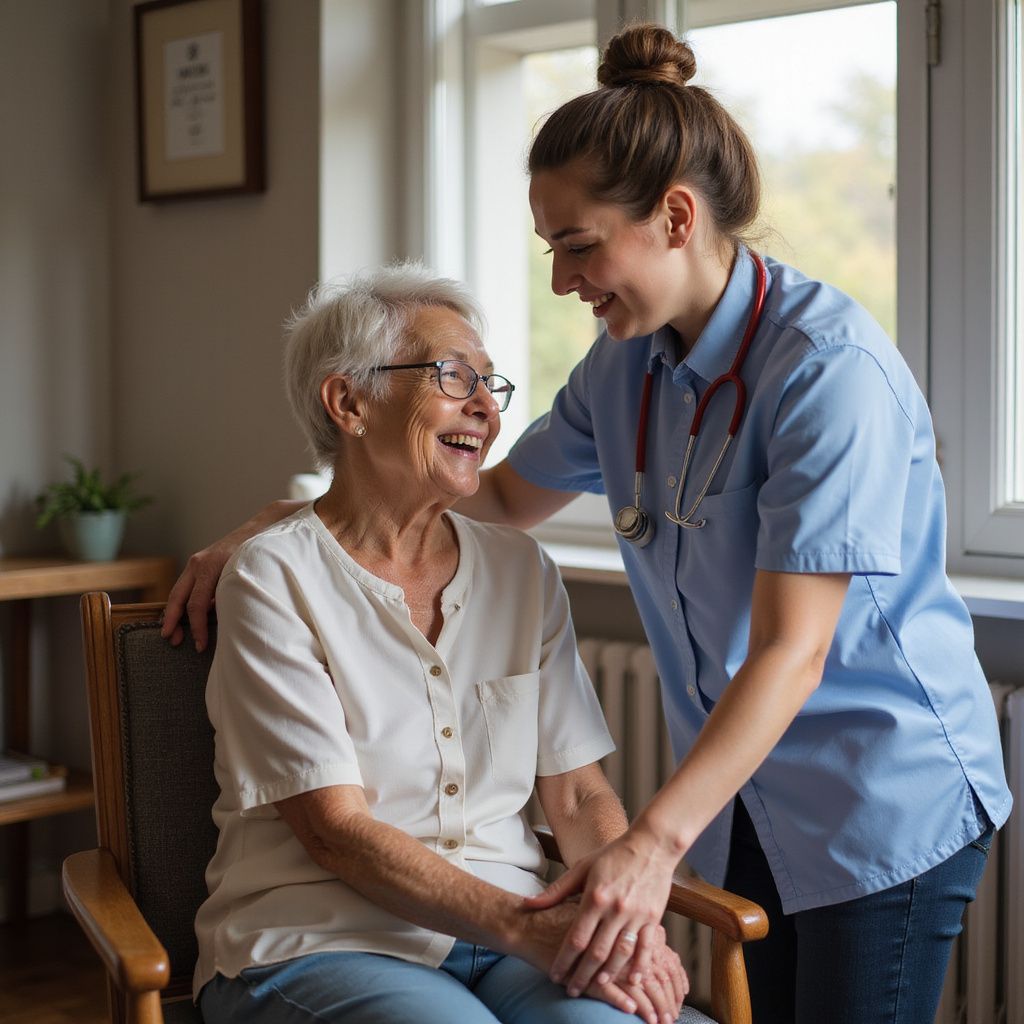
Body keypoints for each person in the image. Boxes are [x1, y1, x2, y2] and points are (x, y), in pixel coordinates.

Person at [168, 24, 1012, 1024]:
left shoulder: (828, 375)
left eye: (578, 246)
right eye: (552, 251)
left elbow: (793, 650)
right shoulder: (627, 363)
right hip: (748, 794)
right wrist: (287, 523)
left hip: (878, 782)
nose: (564, 282)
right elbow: (494, 493)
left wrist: (649, 847)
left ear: (674, 217)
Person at [192, 265, 689, 1024]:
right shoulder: (270, 578)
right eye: (455, 377)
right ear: (349, 401)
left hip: (512, 932)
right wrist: (532, 930)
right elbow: (337, 833)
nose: (486, 409)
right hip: (325, 936)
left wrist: (626, 928)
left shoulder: (521, 570)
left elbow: (580, 795)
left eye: (492, 384)